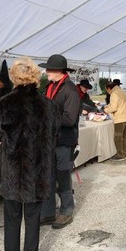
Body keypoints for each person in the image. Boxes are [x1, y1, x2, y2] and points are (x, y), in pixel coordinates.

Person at [0, 57, 56, 251]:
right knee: (33, 216)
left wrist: (9, 136)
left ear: (14, 77)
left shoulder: (7, 102)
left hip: (13, 168)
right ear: (35, 77)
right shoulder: (47, 104)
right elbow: (54, 133)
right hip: (37, 169)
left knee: (12, 216)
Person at [38, 54, 81, 229]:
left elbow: (70, 119)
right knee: (48, 177)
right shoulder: (50, 86)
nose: (46, 72)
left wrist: (47, 118)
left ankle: (66, 211)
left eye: (49, 69)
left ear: (58, 71)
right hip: (50, 141)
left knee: (63, 177)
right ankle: (48, 213)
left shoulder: (70, 90)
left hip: (64, 141)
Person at [104, 81, 126, 161]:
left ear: (109, 88)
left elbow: (114, 108)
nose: (107, 92)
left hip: (120, 118)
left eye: (107, 90)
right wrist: (108, 105)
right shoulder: (121, 91)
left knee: (118, 137)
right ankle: (124, 152)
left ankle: (120, 154)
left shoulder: (114, 93)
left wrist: (105, 110)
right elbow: (118, 103)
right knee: (124, 136)